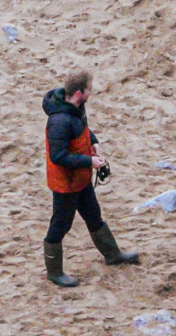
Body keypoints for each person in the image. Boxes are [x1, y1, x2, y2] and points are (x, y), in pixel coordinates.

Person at [42, 69, 140, 288]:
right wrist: (89, 162)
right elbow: (58, 156)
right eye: (89, 90)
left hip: (80, 180)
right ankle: (54, 272)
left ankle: (113, 255)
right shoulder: (59, 121)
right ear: (79, 93)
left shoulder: (76, 109)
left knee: (94, 216)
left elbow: (82, 128)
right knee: (60, 225)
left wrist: (93, 142)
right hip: (66, 185)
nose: (91, 93)